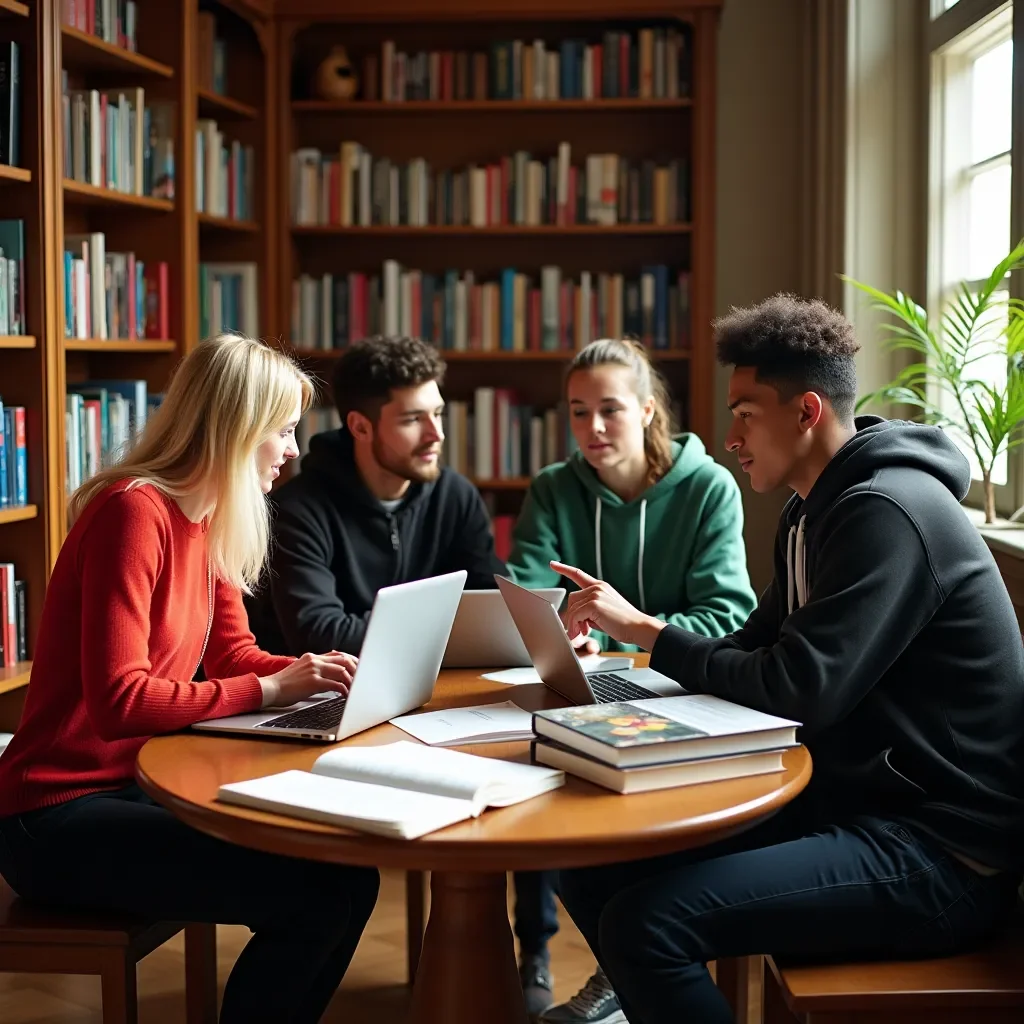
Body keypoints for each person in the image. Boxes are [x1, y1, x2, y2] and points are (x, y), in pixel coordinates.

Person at [547, 294, 1024, 1024]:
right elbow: (753, 643)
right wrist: (628, 680)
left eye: (744, 412)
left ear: (805, 412)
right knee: (586, 862)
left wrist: (647, 631)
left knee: (647, 925)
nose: (729, 434)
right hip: (855, 804)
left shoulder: (886, 513)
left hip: (942, 852)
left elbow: (799, 688)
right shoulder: (813, 510)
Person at [0, 335, 380, 1024]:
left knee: (352, 875)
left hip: (133, 786)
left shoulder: (207, 519)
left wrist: (313, 676)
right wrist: (274, 691)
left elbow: (236, 657)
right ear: (236, 431)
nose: (292, 451)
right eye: (283, 431)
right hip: (52, 816)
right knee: (317, 896)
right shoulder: (132, 512)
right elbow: (120, 701)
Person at [506, 338, 757, 1023]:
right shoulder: (555, 488)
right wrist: (567, 629)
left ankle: (634, 973)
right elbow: (530, 595)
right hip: (587, 689)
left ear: (648, 411)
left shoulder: (708, 487)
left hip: (685, 695)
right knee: (532, 782)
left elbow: (728, 615)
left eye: (610, 410)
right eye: (578, 411)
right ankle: (594, 966)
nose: (592, 429)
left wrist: (615, 628)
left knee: (622, 831)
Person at [246, 334, 505, 656]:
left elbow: (497, 606)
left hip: (431, 682)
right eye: (413, 419)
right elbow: (321, 634)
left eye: (437, 414)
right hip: (323, 696)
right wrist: (451, 630)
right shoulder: (298, 510)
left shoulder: (455, 495)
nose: (436, 434)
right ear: (360, 427)